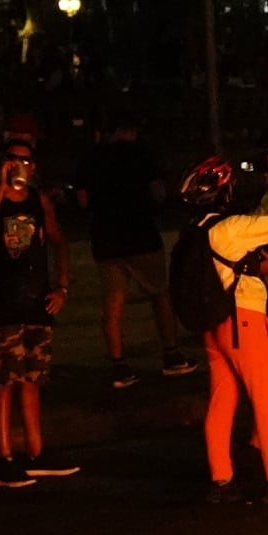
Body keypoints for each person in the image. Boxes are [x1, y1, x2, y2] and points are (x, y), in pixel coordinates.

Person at [182, 143, 268, 507]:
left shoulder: (200, 229)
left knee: (222, 402)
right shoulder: (230, 229)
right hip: (243, 321)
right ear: (225, 190)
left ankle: (221, 481)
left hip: (215, 323)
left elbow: (259, 223)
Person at [0, 139, 72, 486]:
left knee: (32, 380)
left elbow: (59, 241)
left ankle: (37, 452)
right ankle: (4, 456)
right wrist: (0, 189)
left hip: (36, 304)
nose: (18, 166)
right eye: (12, 160)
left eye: (24, 161)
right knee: (4, 381)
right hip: (2, 305)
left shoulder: (39, 203)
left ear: (34, 167)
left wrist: (61, 287)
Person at [77, 114, 193, 386]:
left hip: (106, 238)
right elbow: (159, 192)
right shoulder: (143, 154)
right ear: (131, 131)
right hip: (141, 234)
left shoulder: (91, 157)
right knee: (159, 294)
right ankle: (171, 353)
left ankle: (119, 364)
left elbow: (82, 200)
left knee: (114, 302)